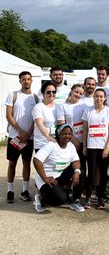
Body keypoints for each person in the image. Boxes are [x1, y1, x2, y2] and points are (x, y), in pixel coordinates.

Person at [33, 124, 85, 212]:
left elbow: (76, 161)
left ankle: (76, 201)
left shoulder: (71, 146)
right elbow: (36, 160)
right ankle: (41, 198)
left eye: (69, 134)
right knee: (61, 200)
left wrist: (76, 171)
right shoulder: (51, 145)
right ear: (58, 134)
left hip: (59, 177)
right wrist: (45, 178)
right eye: (64, 134)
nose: (67, 136)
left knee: (81, 172)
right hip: (48, 178)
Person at [4, 71, 39, 203]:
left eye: (28, 79)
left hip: (29, 138)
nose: (26, 81)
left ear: (31, 81)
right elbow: (8, 115)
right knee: (12, 163)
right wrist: (20, 131)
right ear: (20, 81)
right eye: (23, 79)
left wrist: (28, 132)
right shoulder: (13, 95)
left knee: (26, 163)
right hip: (15, 137)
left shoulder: (36, 98)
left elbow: (37, 118)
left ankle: (24, 191)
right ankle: (10, 190)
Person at [82, 88, 109, 209]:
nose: (98, 98)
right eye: (96, 96)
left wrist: (107, 147)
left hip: (104, 147)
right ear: (93, 97)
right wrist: (85, 145)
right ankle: (88, 197)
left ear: (105, 98)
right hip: (91, 146)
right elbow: (85, 129)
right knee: (92, 172)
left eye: (101, 96)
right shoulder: (88, 111)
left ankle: (101, 197)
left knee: (103, 173)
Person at [32, 81, 61, 211]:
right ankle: (38, 196)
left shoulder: (58, 107)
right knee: (42, 171)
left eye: (53, 92)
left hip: (55, 144)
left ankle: (48, 193)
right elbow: (39, 123)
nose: (51, 94)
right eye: (48, 92)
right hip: (43, 143)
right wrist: (48, 136)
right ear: (43, 93)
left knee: (53, 169)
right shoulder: (38, 107)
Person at [57, 84, 86, 177]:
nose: (78, 95)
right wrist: (73, 139)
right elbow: (61, 124)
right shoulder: (63, 106)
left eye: (81, 93)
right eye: (76, 92)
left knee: (82, 165)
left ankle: (80, 189)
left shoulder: (84, 105)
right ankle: (67, 188)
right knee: (69, 166)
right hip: (69, 141)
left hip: (83, 140)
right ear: (71, 91)